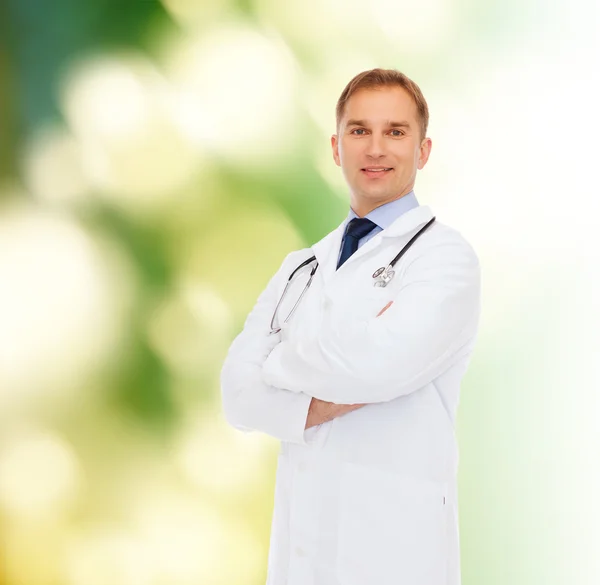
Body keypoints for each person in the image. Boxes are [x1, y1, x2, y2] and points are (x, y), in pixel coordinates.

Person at [220, 68, 481, 585]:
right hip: (302, 555)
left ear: (423, 150)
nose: (376, 148)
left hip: (395, 551)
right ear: (336, 148)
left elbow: (381, 364)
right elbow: (238, 394)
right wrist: (327, 387)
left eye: (396, 131)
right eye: (359, 131)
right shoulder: (302, 266)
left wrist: (280, 364)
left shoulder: (445, 258)